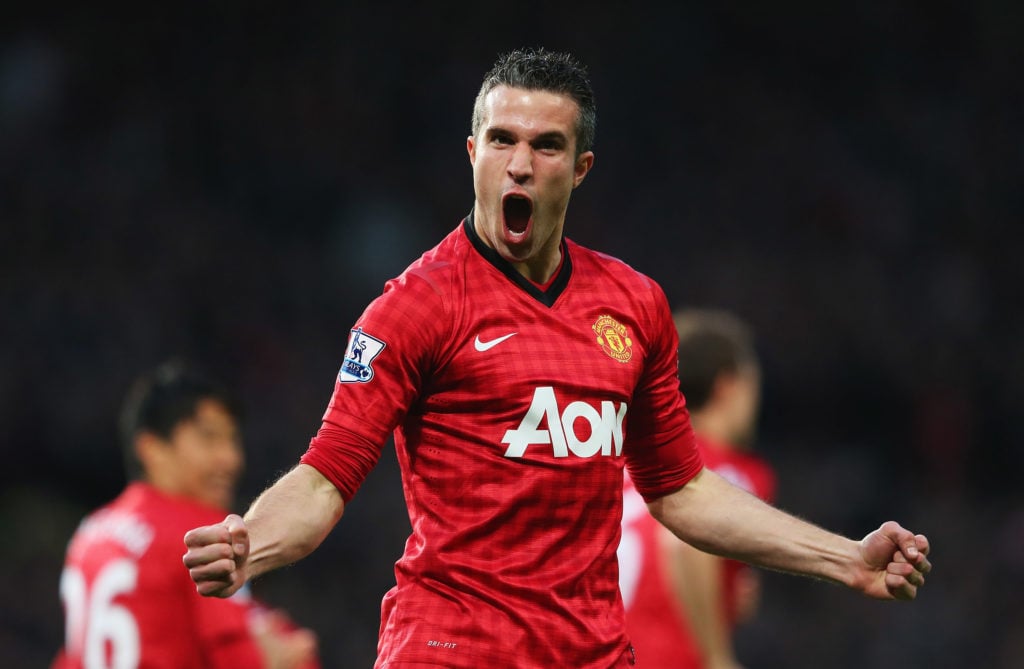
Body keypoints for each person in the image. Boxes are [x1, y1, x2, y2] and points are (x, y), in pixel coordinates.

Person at [182, 47, 932, 668]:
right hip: (451, 650)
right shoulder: (414, 306)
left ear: (579, 168)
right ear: (472, 153)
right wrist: (251, 542)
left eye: (546, 145)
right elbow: (324, 478)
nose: (519, 163)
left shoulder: (633, 304)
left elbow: (682, 491)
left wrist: (845, 557)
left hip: (592, 655)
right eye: (502, 139)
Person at [53, 361, 319, 669]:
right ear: (151, 448)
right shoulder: (197, 534)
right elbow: (236, 657)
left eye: (232, 440)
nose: (230, 459)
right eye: (209, 438)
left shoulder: (90, 533)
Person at [618, 309, 776, 668]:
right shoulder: (729, 473)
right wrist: (717, 658)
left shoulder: (626, 460)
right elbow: (681, 544)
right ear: (729, 386)